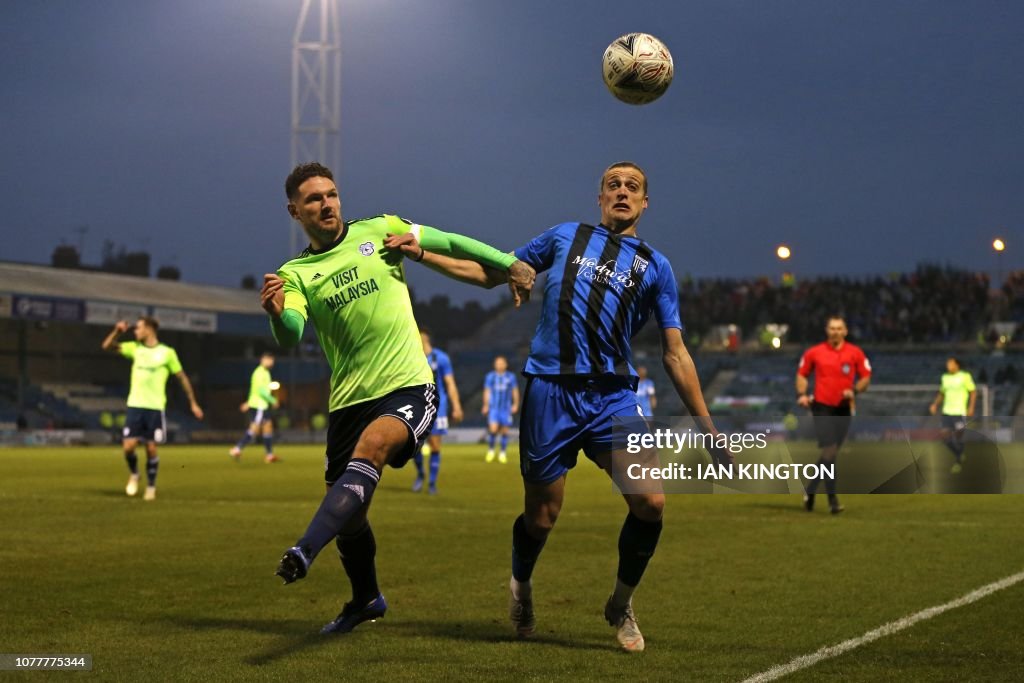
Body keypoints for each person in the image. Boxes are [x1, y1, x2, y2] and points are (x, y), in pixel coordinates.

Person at [390, 161, 726, 652]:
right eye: (613, 185)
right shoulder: (565, 237)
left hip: (612, 396)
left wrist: (707, 426)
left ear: (645, 203)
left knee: (651, 503)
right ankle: (521, 586)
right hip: (550, 391)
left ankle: (620, 603)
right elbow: (492, 273)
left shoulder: (656, 266)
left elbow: (675, 352)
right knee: (542, 517)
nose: (622, 192)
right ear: (599, 197)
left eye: (633, 187)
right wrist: (422, 253)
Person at [261, 162, 535, 635]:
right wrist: (275, 311)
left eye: (331, 194)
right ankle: (366, 599)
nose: (326, 203)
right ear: (294, 211)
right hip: (349, 401)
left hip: (408, 385)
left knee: (371, 451)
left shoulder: (380, 229)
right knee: (349, 518)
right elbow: (290, 335)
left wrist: (508, 261)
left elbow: (448, 242)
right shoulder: (295, 273)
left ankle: (304, 549)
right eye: (313, 199)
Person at [101, 317, 204, 501]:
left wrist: (193, 402)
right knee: (128, 446)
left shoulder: (167, 353)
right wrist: (117, 331)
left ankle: (150, 486)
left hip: (155, 407)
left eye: (138, 328)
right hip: (135, 405)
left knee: (151, 448)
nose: (135, 331)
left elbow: (182, 377)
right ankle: (134, 474)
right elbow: (107, 346)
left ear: (149, 329)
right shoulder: (135, 348)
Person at [795, 316, 872, 514]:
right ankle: (832, 501)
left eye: (839, 328)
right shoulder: (814, 352)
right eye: (832, 328)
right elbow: (802, 374)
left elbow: (866, 377)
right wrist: (802, 395)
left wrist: (854, 391)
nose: (835, 331)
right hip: (821, 406)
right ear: (826, 330)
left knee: (831, 453)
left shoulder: (855, 353)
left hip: (844, 407)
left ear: (845, 331)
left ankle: (810, 489)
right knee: (829, 451)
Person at [414, 329, 463, 494]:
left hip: (437, 406)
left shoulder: (441, 358)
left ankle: (432, 483)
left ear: (426, 339)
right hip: (417, 405)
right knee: (415, 446)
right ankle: (421, 474)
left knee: (435, 445)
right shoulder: (411, 357)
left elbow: (450, 383)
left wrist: (456, 406)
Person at [230, 352, 280, 463]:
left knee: (268, 427)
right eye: (270, 360)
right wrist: (273, 400)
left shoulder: (264, 372)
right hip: (259, 405)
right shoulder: (260, 373)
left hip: (260, 405)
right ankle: (237, 449)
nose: (272, 362)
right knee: (255, 428)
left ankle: (269, 455)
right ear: (263, 360)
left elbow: (254, 389)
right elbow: (261, 391)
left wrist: (248, 402)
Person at [929, 357, 976, 474]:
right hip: (946, 412)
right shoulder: (945, 377)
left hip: (959, 412)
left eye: (950, 363)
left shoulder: (965, 376)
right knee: (945, 437)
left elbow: (973, 392)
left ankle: (959, 456)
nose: (948, 365)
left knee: (958, 436)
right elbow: (942, 393)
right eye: (947, 363)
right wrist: (935, 404)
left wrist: (971, 407)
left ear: (957, 365)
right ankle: (959, 457)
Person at [483, 355, 519, 464]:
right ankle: (491, 450)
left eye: (501, 363)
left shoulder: (511, 377)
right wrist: (485, 405)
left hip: (505, 409)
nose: (499, 365)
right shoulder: (490, 376)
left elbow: (515, 391)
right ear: (495, 365)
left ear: (505, 364)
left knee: (504, 431)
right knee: (493, 429)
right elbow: (487, 391)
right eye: (497, 363)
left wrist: (516, 404)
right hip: (494, 408)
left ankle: (502, 453)